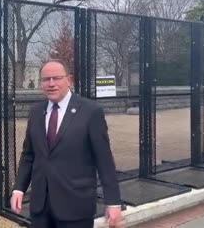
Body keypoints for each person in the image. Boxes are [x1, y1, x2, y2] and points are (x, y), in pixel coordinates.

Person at [10, 59, 123, 228]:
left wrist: (113, 202)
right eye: (46, 79)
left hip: (75, 207)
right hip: (40, 209)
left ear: (69, 80)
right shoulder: (36, 112)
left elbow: (104, 160)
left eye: (56, 78)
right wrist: (19, 189)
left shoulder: (90, 112)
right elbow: (28, 155)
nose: (51, 84)